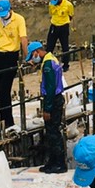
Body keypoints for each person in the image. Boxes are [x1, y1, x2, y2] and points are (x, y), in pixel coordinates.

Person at [28, 41, 67, 173]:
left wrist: (47, 108)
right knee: (51, 133)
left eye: (32, 56)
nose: (33, 59)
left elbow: (50, 87)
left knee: (53, 133)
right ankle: (52, 162)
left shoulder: (48, 65)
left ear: (36, 52)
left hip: (53, 100)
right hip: (55, 99)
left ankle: (59, 163)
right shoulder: (50, 59)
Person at [0, 0, 27, 131]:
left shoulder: (19, 19)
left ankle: (8, 121)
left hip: (10, 56)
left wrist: (26, 55)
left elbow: (23, 39)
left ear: (10, 10)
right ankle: (2, 119)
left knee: (5, 89)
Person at [46, 0, 74, 68]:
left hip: (63, 27)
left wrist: (64, 22)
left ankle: (65, 65)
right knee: (49, 46)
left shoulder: (68, 5)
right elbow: (51, 13)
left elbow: (71, 15)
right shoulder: (51, 4)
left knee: (65, 46)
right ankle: (48, 64)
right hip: (54, 26)